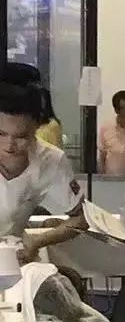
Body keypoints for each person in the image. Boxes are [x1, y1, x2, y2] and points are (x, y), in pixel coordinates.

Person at [0, 78, 85, 257]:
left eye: (21, 136)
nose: (9, 145)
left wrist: (38, 241)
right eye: (1, 134)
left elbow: (81, 219)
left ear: (37, 126)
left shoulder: (50, 161)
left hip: (10, 256)